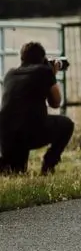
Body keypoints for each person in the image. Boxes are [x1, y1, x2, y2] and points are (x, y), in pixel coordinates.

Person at [0, 40, 75, 175]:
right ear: (42, 58)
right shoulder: (44, 71)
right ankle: (49, 164)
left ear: (22, 58)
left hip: (5, 134)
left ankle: (5, 162)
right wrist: (53, 74)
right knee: (67, 124)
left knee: (14, 171)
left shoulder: (10, 74)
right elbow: (56, 102)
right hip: (30, 131)